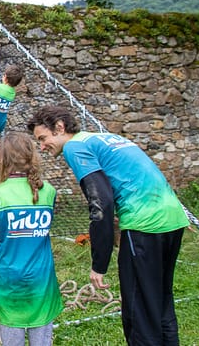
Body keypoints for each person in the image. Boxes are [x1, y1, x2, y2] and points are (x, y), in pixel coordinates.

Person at [26, 105, 189, 346]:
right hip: (173, 219)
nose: (42, 146)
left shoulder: (75, 147)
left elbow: (100, 204)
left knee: (139, 310)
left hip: (144, 225)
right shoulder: (103, 138)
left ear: (59, 127)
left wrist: (99, 264)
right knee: (160, 299)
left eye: (43, 138)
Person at [0, 131, 63, 346]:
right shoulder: (49, 192)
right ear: (32, 156)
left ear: (2, 160)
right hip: (42, 279)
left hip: (9, 282)